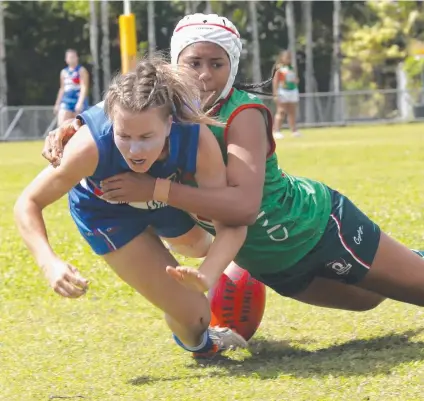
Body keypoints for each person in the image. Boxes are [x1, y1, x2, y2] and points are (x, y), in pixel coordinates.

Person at [43, 14, 424, 356]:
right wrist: (66, 127)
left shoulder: (242, 113)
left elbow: (241, 204)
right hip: (276, 263)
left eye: (216, 64)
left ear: (232, 68)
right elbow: (116, 116)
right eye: (193, 62)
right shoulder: (160, 111)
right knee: (369, 300)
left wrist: (160, 195)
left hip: (320, 229)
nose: (203, 74)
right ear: (175, 63)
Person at [16, 56, 249, 361]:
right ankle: (203, 343)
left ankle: (166, 243)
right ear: (112, 121)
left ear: (169, 124)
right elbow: (27, 203)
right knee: (196, 316)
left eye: (146, 137)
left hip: (162, 193)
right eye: (123, 136)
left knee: (200, 246)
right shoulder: (88, 147)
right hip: (106, 212)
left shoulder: (195, 136)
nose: (134, 150)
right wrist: (49, 263)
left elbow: (230, 222)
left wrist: (207, 274)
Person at [53, 49, 90, 125]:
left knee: (79, 123)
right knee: (62, 120)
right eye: (69, 57)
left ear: (77, 58)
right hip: (67, 100)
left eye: (73, 57)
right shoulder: (63, 72)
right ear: (66, 59)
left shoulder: (81, 70)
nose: (71, 59)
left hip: (77, 98)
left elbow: (84, 87)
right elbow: (62, 88)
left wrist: (80, 102)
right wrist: (57, 103)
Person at [272, 50, 301, 139]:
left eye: (290, 57)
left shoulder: (292, 68)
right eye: (287, 57)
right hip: (283, 91)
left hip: (292, 90)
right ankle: (276, 130)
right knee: (281, 111)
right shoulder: (279, 68)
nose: (288, 59)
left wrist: (296, 80)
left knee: (292, 112)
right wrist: (275, 94)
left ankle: (294, 130)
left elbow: (296, 79)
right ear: (282, 58)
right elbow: (275, 81)